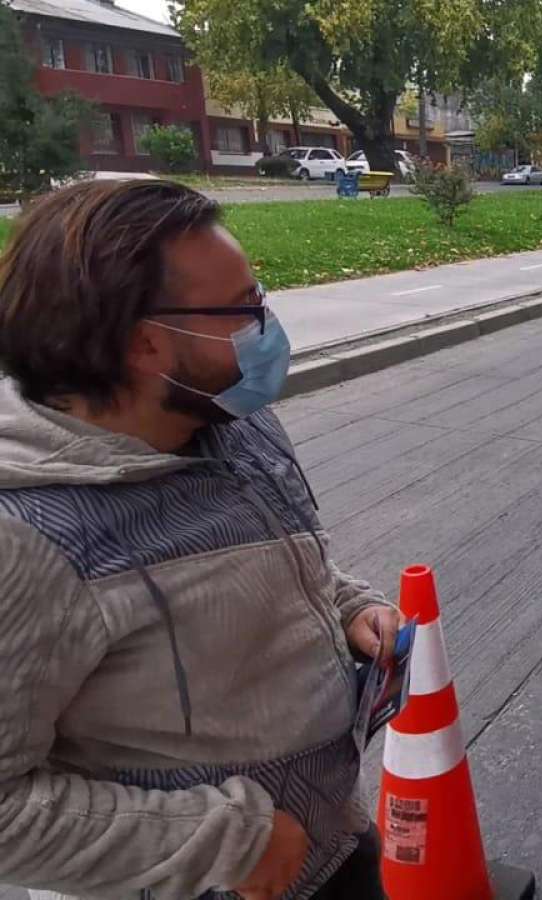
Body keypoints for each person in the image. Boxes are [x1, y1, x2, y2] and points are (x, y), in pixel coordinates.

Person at [0, 180, 401, 900]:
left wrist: (346, 607)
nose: (268, 328)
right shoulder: (28, 539)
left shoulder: (228, 421)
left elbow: (285, 553)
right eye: (245, 310)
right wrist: (224, 842)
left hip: (332, 843)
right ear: (145, 343)